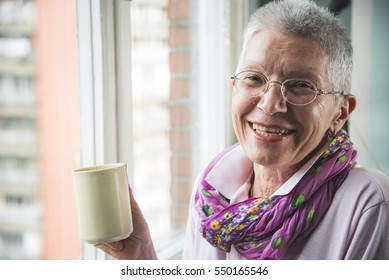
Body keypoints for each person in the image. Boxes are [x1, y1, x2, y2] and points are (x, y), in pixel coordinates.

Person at [96, 0, 389, 260]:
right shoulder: (210, 189)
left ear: (340, 112)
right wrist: (142, 257)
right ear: (234, 85)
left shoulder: (369, 204)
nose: (271, 104)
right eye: (254, 78)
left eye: (301, 85)